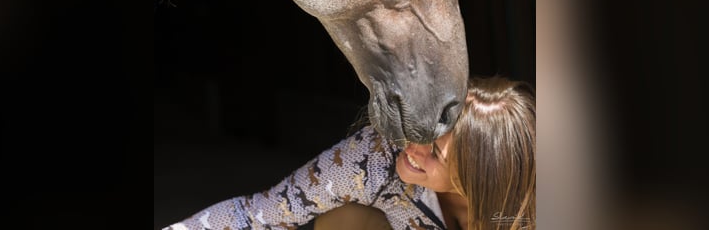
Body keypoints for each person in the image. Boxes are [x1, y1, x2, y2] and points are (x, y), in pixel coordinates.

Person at [163, 76, 535, 230]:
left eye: (435, 153)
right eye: (423, 127)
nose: (413, 146)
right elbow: (261, 214)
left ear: (477, 178)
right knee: (348, 219)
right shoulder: (375, 157)